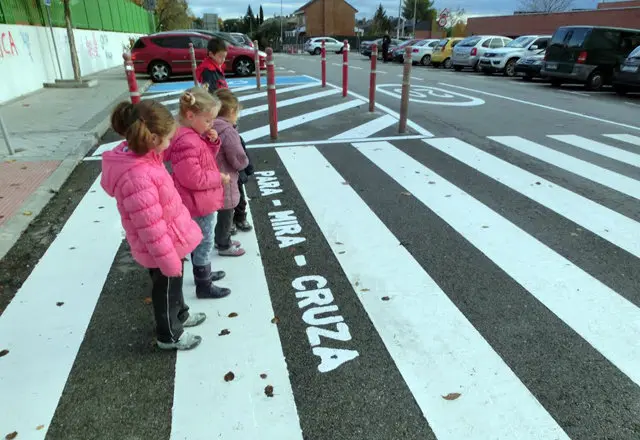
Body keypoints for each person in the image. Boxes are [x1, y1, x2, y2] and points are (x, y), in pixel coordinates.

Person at [100, 100, 205, 351]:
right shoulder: (137, 176)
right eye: (168, 139)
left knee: (173, 285)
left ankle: (181, 315)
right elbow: (151, 227)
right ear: (154, 139)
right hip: (161, 246)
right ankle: (169, 335)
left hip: (170, 239)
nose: (169, 144)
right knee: (165, 290)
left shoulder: (142, 154)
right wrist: (167, 259)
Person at [164, 88, 232, 298]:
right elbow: (192, 178)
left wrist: (210, 141)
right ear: (191, 115)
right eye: (208, 120)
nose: (211, 125)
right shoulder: (187, 141)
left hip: (195, 200)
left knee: (200, 239)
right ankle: (204, 283)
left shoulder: (190, 135)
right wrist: (218, 178)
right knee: (204, 240)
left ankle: (204, 273)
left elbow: (202, 159)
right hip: (197, 201)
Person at [196, 36, 255, 234]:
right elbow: (214, 96)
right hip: (220, 124)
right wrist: (245, 165)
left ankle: (234, 219)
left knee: (232, 184)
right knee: (234, 182)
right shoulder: (208, 71)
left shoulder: (213, 68)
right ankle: (235, 219)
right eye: (221, 56)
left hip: (219, 121)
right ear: (211, 54)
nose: (223, 60)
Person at [212, 88, 249, 256]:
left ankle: (220, 238)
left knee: (220, 210)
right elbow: (237, 157)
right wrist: (245, 164)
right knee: (227, 211)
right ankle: (224, 244)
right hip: (226, 176)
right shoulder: (228, 132)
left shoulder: (210, 126)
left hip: (212, 175)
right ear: (233, 111)